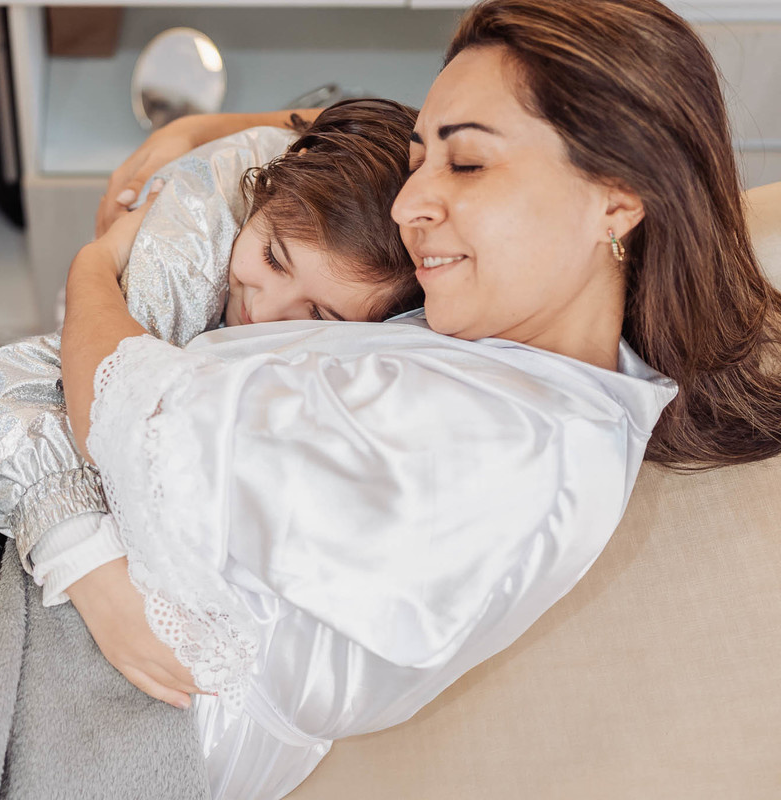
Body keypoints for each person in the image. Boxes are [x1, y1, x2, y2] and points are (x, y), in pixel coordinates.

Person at [51, 0, 781, 798]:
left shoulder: (504, 444)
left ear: (617, 198)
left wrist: (94, 266)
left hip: (85, 698)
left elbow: (128, 421)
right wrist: (227, 126)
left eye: (463, 165)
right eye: (418, 160)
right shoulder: (507, 319)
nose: (408, 205)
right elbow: (376, 144)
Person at [0, 98, 422, 597]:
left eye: (319, 315)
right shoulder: (182, 257)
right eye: (273, 258)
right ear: (265, 191)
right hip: (106, 309)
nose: (265, 313)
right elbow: (22, 387)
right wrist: (81, 559)